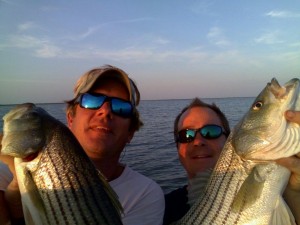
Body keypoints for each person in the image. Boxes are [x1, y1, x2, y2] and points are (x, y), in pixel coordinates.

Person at [0, 65, 165, 225]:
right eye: (92, 100)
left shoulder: (145, 194)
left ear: (131, 132)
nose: (105, 111)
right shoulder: (4, 171)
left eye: (121, 107)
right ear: (70, 118)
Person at [163, 98, 300, 225]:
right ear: (177, 147)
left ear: (228, 141)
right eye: (186, 135)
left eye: (211, 131)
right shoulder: (158, 207)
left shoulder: (290, 190)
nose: (198, 142)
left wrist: (294, 195)